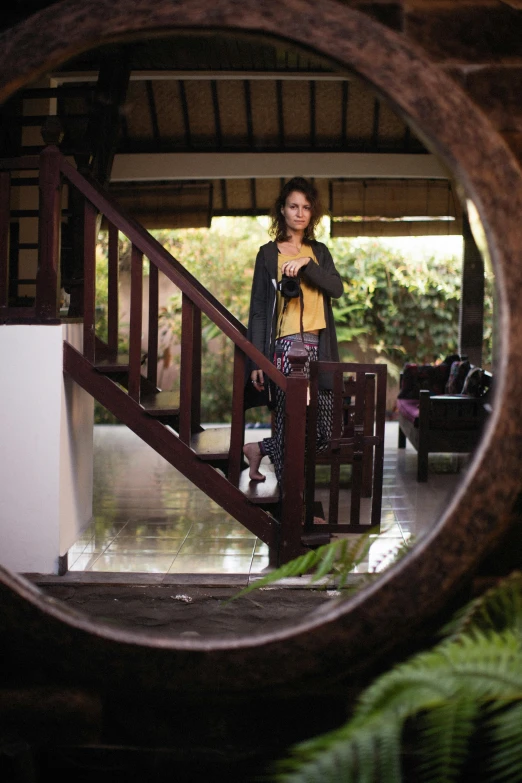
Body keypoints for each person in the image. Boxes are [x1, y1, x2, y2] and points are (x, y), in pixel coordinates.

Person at [243, 176, 343, 485]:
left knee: (324, 433)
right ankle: (294, 510)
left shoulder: (320, 252)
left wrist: (305, 264)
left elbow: (336, 288)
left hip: (321, 349)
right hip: (286, 349)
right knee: (291, 426)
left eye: (306, 207)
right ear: (282, 210)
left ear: (312, 213)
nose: (300, 213)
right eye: (293, 206)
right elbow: (259, 312)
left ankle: (258, 449)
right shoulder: (267, 254)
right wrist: (257, 361)